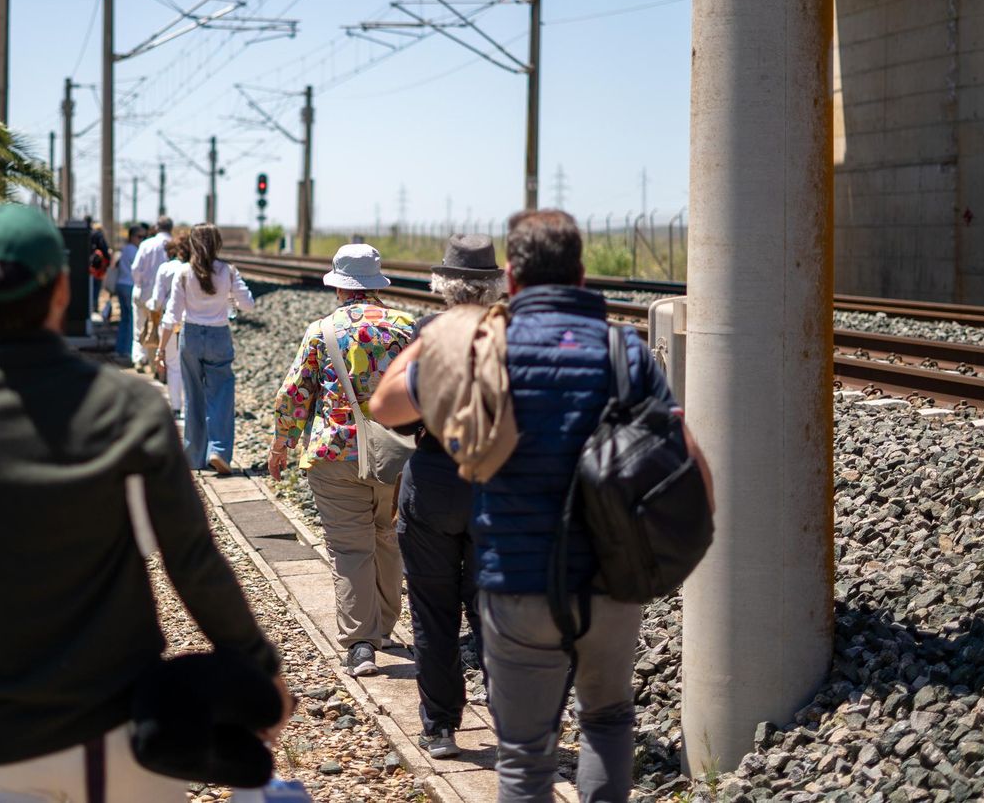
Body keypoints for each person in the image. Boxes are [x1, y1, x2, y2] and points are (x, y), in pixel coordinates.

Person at [0, 202, 289, 802]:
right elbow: (192, 560)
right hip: (117, 738)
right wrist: (257, 666)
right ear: (62, 288)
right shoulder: (129, 410)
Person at [371, 209, 711, 803]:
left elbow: (386, 407)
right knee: (606, 723)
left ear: (513, 276)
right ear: (581, 275)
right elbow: (688, 461)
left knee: (525, 759)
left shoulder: (485, 348)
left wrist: (428, 342)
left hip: (516, 583)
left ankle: (444, 722)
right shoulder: (623, 350)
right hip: (609, 577)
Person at [269, 244, 414, 678]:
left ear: (339, 288)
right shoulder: (406, 326)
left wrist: (282, 445)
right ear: (375, 283)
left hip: (336, 453)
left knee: (350, 546)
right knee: (388, 537)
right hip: (396, 452)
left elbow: (294, 394)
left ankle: (361, 645)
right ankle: (385, 627)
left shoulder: (322, 330)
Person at [390, 235, 504, 760]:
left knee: (433, 611)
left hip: (435, 478)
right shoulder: (513, 334)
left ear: (443, 286)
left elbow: (404, 414)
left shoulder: (425, 334)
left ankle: (440, 728)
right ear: (494, 285)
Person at [158, 223, 254, 474]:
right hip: (219, 337)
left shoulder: (184, 273)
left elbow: (172, 316)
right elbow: (249, 305)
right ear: (217, 243)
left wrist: (160, 350)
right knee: (220, 395)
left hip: (190, 336)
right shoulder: (228, 271)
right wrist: (230, 298)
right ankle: (218, 451)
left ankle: (194, 456)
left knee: (193, 396)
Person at [148, 229, 189, 419]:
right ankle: (191, 406)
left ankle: (176, 407)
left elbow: (156, 301)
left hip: (170, 321)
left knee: (173, 365)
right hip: (193, 322)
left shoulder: (165, 269)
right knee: (191, 367)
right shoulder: (194, 269)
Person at [130, 216, 174, 369]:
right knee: (161, 327)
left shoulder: (146, 244)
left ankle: (139, 358)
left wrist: (139, 283)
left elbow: (136, 268)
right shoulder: (173, 244)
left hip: (144, 290)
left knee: (140, 324)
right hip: (166, 294)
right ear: (171, 228)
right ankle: (157, 363)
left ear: (156, 227)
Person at [112, 224, 142, 362]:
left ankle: (120, 349)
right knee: (131, 319)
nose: (141, 239)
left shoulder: (125, 249)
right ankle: (128, 350)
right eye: (139, 236)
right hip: (129, 285)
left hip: (121, 284)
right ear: (132, 237)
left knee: (124, 319)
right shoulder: (134, 250)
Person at [87, 218, 110, 320]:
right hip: (98, 268)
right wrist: (108, 262)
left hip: (87, 267)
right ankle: (94, 307)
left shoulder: (87, 234)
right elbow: (105, 251)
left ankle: (90, 307)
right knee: (96, 287)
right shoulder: (98, 235)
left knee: (90, 287)